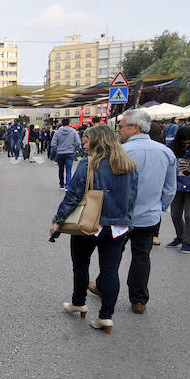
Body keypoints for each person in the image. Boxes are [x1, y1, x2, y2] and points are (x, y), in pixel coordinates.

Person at [50, 125, 138, 334]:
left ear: (99, 141)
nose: (84, 144)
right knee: (110, 270)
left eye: (87, 140)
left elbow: (72, 196)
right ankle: (105, 317)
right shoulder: (128, 165)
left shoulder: (88, 164)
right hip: (118, 226)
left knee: (81, 265)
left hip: (90, 224)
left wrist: (58, 220)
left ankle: (79, 302)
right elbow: (133, 197)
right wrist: (126, 221)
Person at [89, 109, 175, 314]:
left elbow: (107, 184)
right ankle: (138, 299)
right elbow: (170, 188)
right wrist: (159, 206)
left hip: (120, 215)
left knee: (113, 254)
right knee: (142, 256)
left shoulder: (121, 152)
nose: (119, 130)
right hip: (149, 216)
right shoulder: (165, 152)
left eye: (122, 126)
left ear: (135, 127)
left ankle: (103, 286)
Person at [51, 118, 81, 189]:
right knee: (68, 170)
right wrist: (75, 149)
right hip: (70, 152)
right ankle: (68, 185)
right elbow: (78, 143)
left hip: (60, 153)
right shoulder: (73, 132)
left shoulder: (57, 132)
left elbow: (53, 144)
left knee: (61, 169)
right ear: (69, 123)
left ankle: (61, 184)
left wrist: (57, 150)